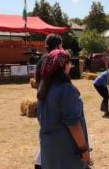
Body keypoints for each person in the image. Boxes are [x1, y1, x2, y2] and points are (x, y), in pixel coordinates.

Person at [37, 49, 90, 168]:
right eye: (69, 63)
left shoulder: (44, 87)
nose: (70, 67)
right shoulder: (66, 89)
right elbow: (74, 125)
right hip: (66, 151)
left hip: (48, 150)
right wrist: (83, 149)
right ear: (64, 66)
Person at [34, 34, 63, 169]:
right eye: (61, 45)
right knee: (51, 137)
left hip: (43, 101)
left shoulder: (42, 60)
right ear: (58, 45)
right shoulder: (52, 60)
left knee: (48, 136)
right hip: (51, 102)